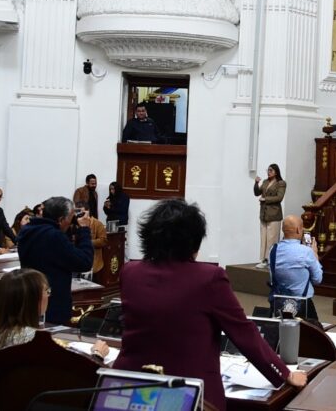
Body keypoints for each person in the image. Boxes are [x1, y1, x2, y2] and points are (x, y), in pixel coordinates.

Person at [114, 199, 306, 411]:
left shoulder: (130, 272)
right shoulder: (208, 278)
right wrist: (284, 373)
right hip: (191, 396)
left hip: (131, 390)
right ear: (193, 242)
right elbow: (244, 333)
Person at [0, 268, 109, 405]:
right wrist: (97, 356)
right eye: (47, 291)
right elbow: (71, 383)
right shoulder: (31, 341)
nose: (49, 295)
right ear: (35, 300)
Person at [16, 196, 93, 324]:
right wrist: (84, 230)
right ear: (61, 219)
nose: (71, 221)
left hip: (29, 295)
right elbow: (84, 262)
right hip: (51, 302)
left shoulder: (28, 230)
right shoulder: (53, 236)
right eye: (70, 217)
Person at [268, 215, 323, 321]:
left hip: (279, 303)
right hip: (302, 305)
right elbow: (318, 279)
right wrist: (315, 256)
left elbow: (272, 279)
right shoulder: (306, 252)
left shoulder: (273, 250)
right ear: (298, 229)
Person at [253, 164, 287, 267]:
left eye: (271, 170)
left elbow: (279, 197)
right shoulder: (265, 182)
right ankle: (263, 259)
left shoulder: (281, 183)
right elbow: (257, 193)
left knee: (272, 238)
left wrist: (265, 199)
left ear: (276, 172)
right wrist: (256, 183)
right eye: (268, 170)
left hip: (274, 214)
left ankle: (270, 259)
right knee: (263, 237)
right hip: (264, 213)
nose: (269, 172)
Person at [76, 201, 108, 275]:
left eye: (82, 212)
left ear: (88, 211)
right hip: (78, 262)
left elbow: (103, 241)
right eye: (77, 212)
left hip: (94, 264)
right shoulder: (75, 223)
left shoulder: (97, 224)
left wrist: (87, 242)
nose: (80, 215)